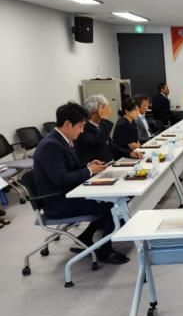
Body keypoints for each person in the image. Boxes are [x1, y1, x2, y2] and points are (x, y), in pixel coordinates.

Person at [32, 102, 129, 264]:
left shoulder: (61, 140)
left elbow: (68, 169)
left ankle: (86, 237)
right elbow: (61, 178)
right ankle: (105, 251)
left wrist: (88, 166)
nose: (82, 130)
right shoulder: (50, 145)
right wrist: (89, 171)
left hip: (68, 194)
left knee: (111, 199)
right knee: (111, 204)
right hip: (58, 202)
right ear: (68, 124)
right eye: (80, 126)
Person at [76, 95, 142, 165]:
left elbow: (112, 146)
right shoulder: (85, 128)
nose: (109, 109)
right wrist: (104, 118)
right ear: (97, 110)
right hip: (99, 166)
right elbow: (100, 142)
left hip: (111, 163)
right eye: (106, 107)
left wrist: (129, 153)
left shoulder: (101, 126)